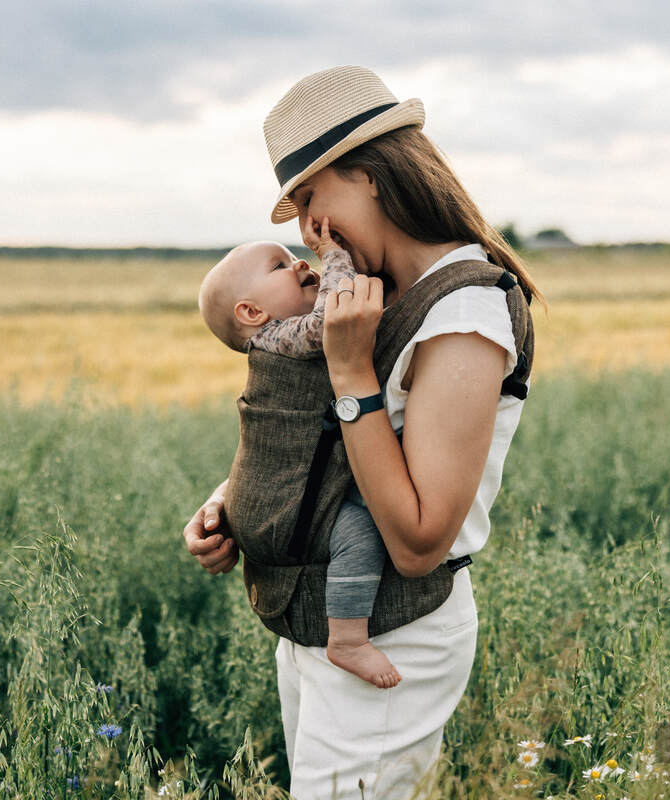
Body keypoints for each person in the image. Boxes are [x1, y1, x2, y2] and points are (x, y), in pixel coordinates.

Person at [183, 65, 544, 799]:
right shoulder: (378, 292)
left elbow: (416, 540)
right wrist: (234, 499)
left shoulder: (464, 311)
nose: (313, 236)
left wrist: (353, 372)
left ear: (370, 176)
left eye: (313, 201)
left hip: (390, 634)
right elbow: (320, 436)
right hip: (310, 626)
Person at [197, 218, 401, 689]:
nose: (299, 263)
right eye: (280, 265)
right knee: (362, 529)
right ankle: (348, 638)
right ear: (252, 313)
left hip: (265, 501)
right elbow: (329, 321)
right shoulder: (280, 339)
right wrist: (335, 255)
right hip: (284, 513)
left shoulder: (275, 339)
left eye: (294, 258)